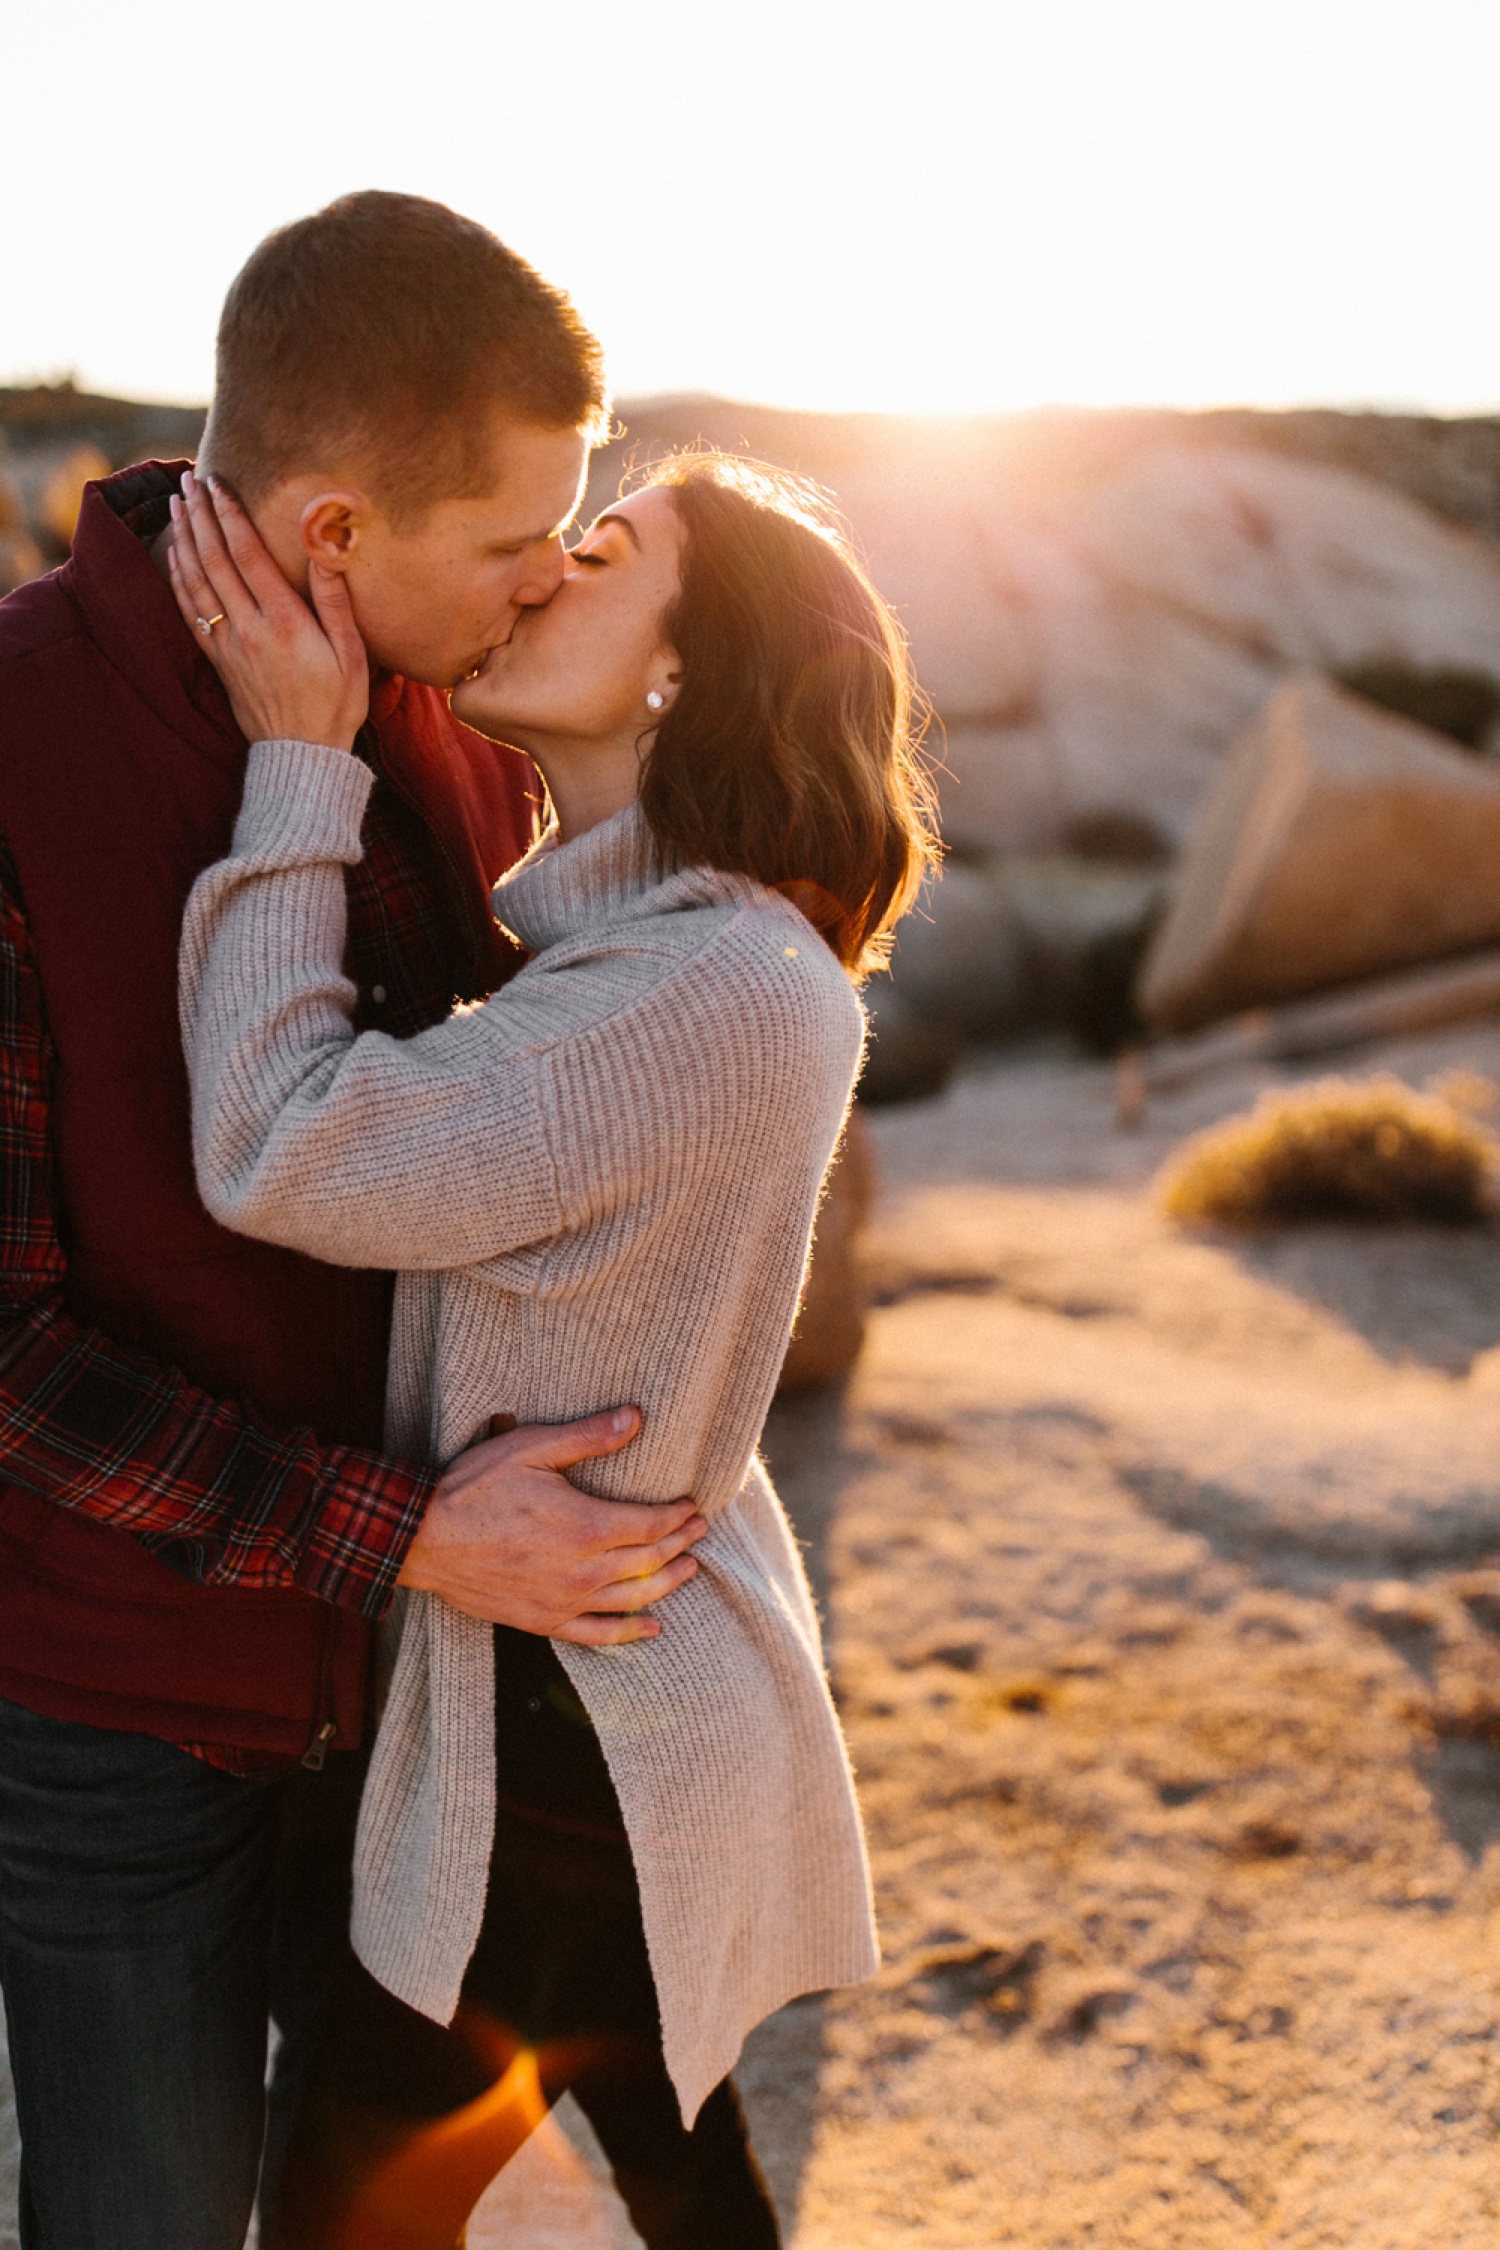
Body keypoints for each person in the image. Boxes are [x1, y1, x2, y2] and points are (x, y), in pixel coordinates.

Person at [0, 191, 712, 2250]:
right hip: (124, 1720)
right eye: (510, 545)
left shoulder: (456, 714)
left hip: (430, 1691)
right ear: (331, 534)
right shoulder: (21, 743)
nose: (543, 584)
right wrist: (398, 1527)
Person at [168, 441, 939, 2247]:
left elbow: (279, 1143)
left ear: (687, 666)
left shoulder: (699, 989)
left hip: (565, 1726)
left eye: (596, 552)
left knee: (354, 2215)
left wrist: (297, 758)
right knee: (678, 2162)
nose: (535, 578)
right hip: (611, 1682)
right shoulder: (678, 957)